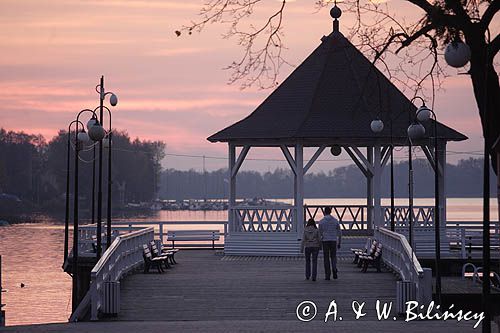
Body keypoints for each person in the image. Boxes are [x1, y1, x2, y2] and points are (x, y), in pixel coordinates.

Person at [318, 206, 341, 280]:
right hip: (333, 240)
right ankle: (334, 270)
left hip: (325, 241)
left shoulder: (321, 221)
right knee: (333, 257)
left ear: (324, 212)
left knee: (326, 258)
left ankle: (327, 275)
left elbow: (320, 234)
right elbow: (339, 233)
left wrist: (319, 243)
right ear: (330, 212)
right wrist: (339, 242)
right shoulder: (335, 220)